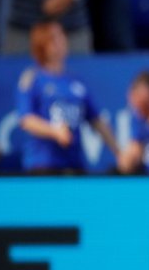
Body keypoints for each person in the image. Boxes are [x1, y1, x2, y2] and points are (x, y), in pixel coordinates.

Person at [15, 20, 118, 174]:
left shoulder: (76, 82)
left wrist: (118, 152)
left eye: (61, 36)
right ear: (42, 45)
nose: (61, 42)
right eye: (54, 38)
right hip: (44, 164)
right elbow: (26, 120)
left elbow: (96, 120)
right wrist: (54, 131)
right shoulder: (32, 79)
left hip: (74, 163)